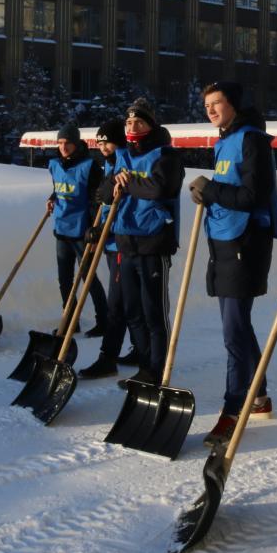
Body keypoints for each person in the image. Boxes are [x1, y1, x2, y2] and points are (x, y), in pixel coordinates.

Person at [187, 81, 277, 446]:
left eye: (217, 103)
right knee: (238, 327)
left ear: (234, 105)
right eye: (207, 105)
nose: (210, 110)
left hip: (246, 242)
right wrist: (209, 196)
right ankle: (258, 397)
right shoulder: (225, 141)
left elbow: (252, 195)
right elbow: (229, 188)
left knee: (233, 331)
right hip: (225, 241)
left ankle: (233, 408)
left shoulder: (252, 140)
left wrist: (212, 190)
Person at [106, 99, 185, 387]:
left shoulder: (166, 155)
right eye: (128, 122)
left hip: (154, 242)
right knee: (133, 311)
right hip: (126, 242)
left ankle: (157, 368)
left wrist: (126, 184)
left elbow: (161, 188)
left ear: (151, 125)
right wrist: (115, 182)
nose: (132, 127)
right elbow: (104, 192)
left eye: (138, 122)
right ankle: (144, 365)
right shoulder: (122, 156)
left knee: (154, 312)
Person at [78, 119, 140, 379]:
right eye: (100, 142)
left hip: (122, 244)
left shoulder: (124, 161)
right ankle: (141, 349)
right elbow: (105, 202)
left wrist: (108, 230)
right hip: (112, 241)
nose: (103, 147)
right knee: (129, 302)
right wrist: (98, 226)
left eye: (108, 142)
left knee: (117, 304)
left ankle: (108, 358)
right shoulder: (111, 162)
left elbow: (126, 205)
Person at [46, 123, 103, 334]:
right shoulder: (55, 165)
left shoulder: (90, 167)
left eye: (67, 143)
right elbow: (58, 188)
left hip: (83, 231)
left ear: (76, 143)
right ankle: (70, 320)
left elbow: (97, 200)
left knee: (88, 278)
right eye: (60, 143)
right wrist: (52, 198)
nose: (63, 147)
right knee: (65, 279)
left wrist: (95, 229)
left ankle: (103, 319)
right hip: (61, 228)